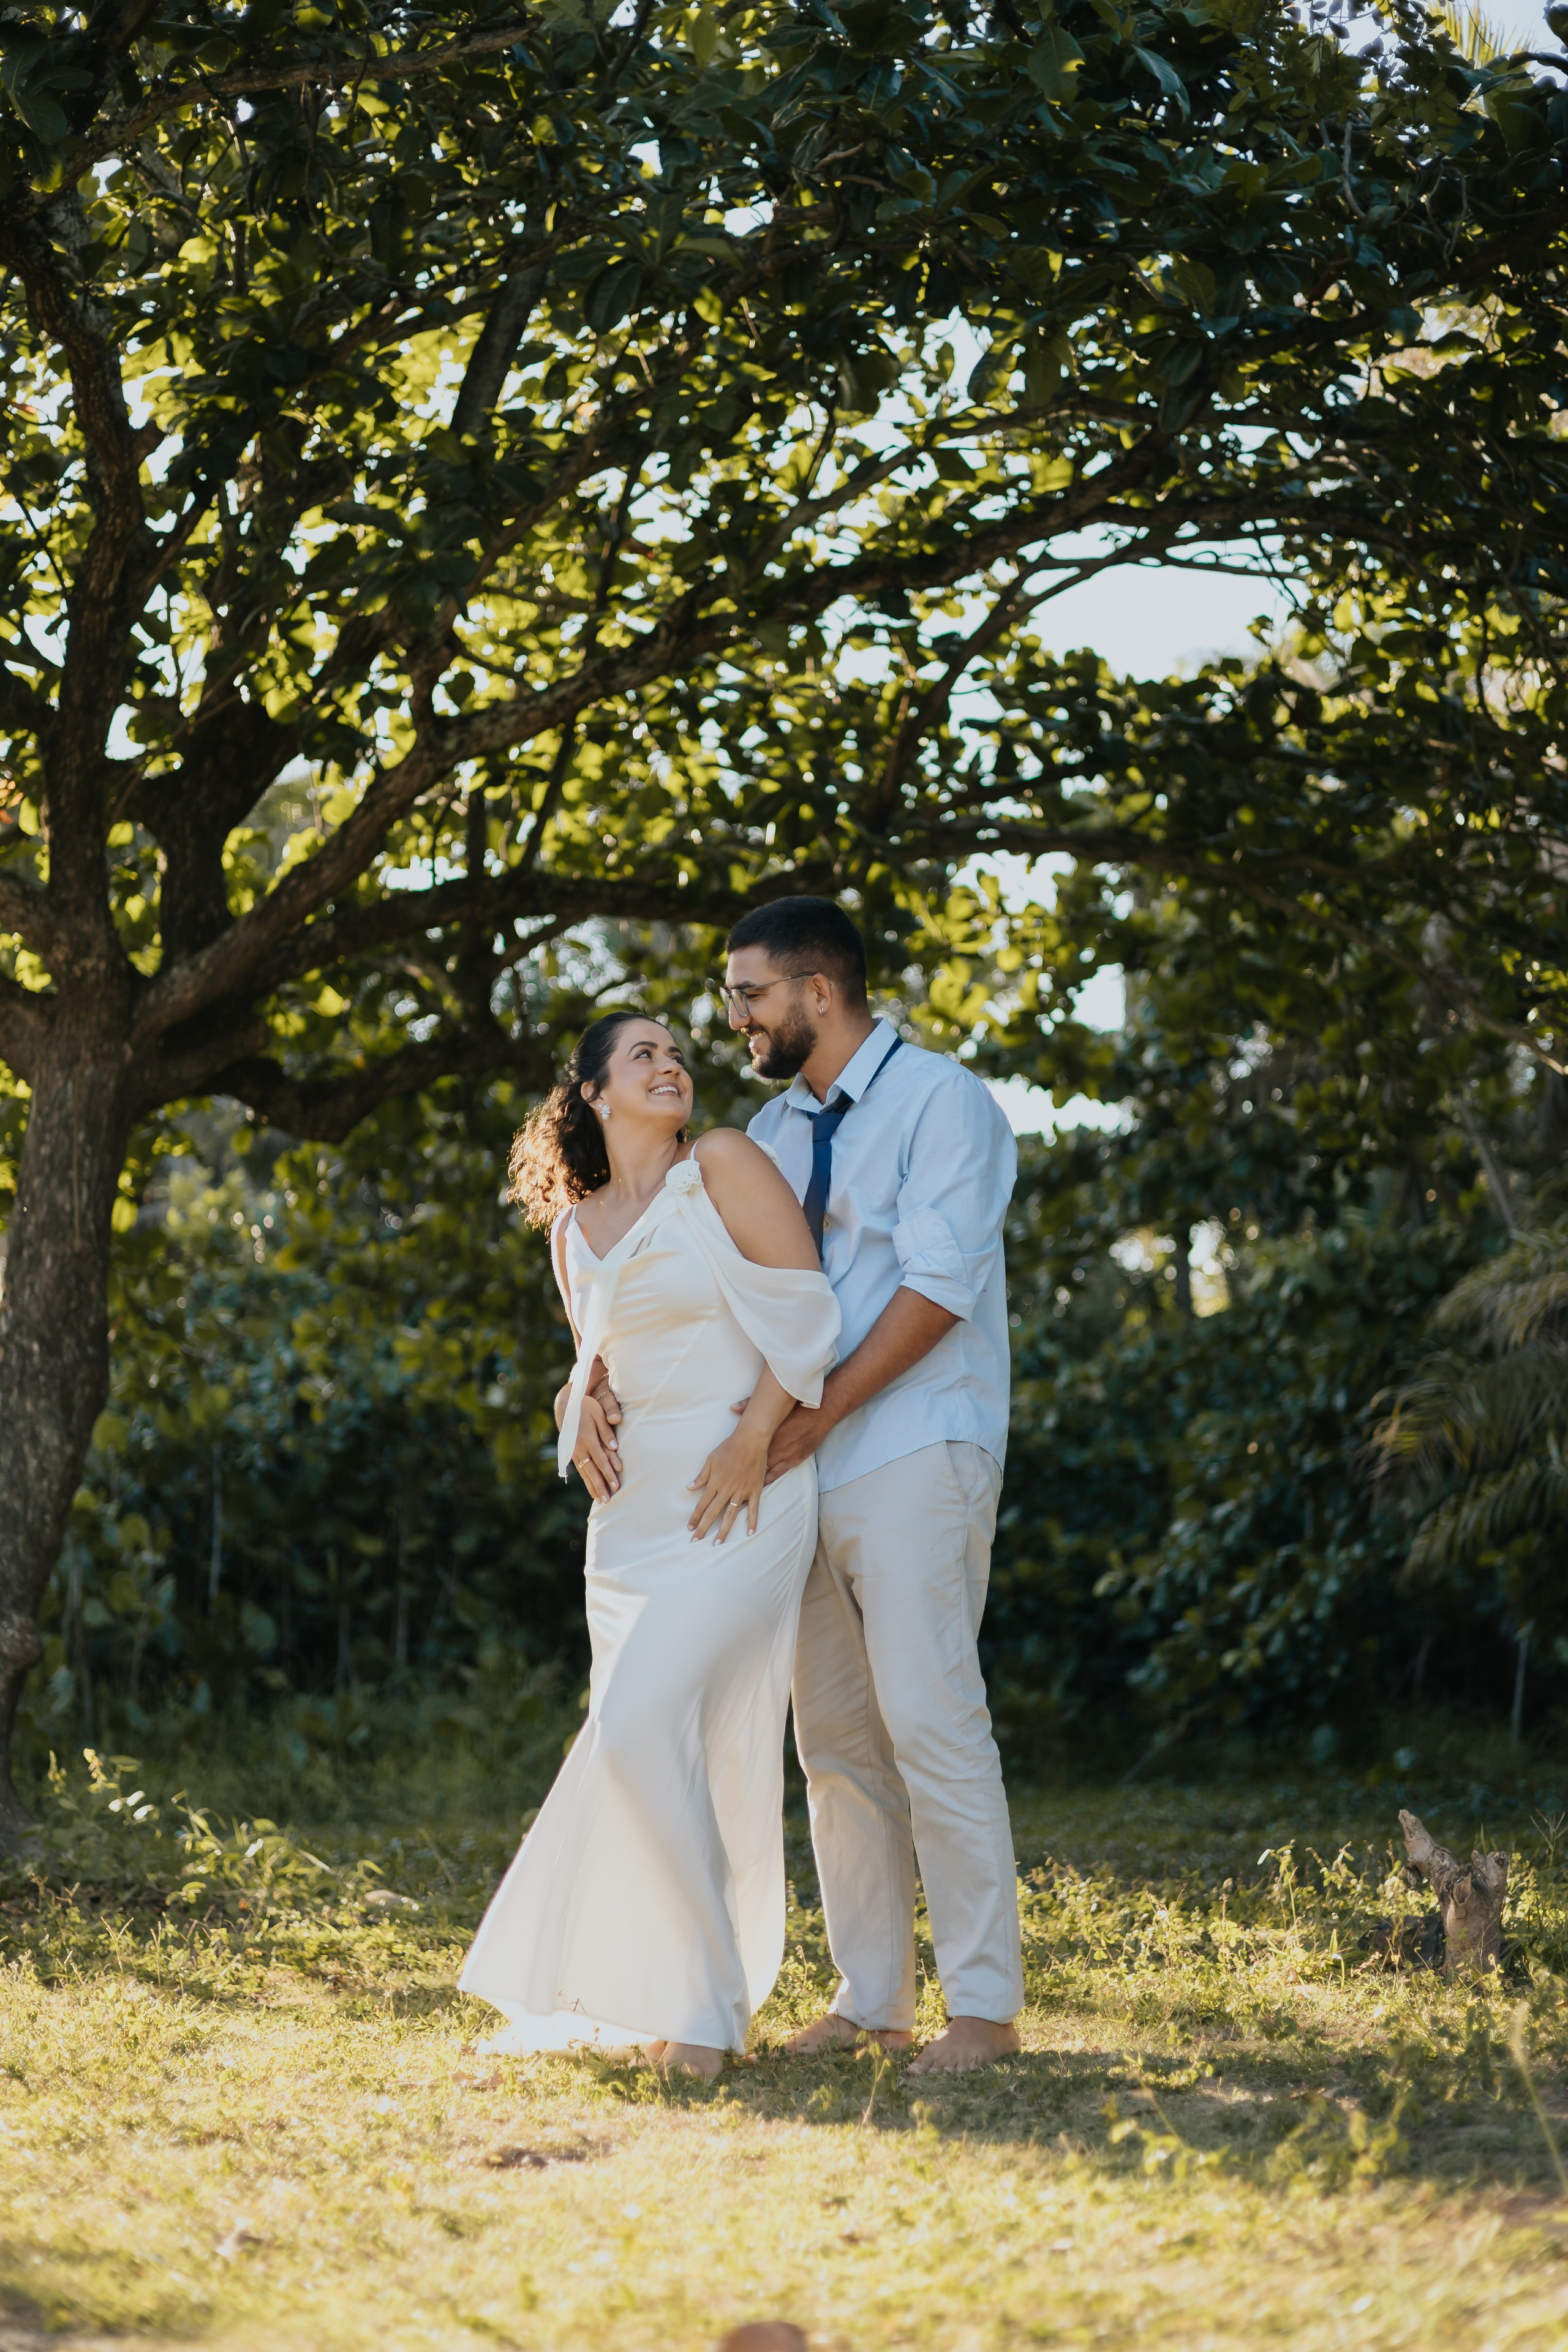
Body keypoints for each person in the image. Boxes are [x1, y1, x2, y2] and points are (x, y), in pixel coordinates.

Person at [459, 1009, 840, 2080]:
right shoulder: (571, 1232)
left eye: (678, 1052)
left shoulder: (721, 1164)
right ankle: (684, 1993)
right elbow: (600, 1361)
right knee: (660, 1749)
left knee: (630, 1734)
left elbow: (811, 1312)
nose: (671, 1064)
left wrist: (757, 1441)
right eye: (644, 1055)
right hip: (626, 1532)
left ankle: (709, 2014)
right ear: (592, 1094)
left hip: (742, 1496)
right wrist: (569, 1403)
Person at [726, 897, 1025, 2075]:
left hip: (916, 1446)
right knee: (837, 1742)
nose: (734, 1017)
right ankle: (872, 2001)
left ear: (816, 991)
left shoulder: (945, 1101)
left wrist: (817, 1416)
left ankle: (987, 2012)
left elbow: (940, 1288)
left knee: (932, 1720)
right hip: (803, 1468)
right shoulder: (766, 1128)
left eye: (748, 994)